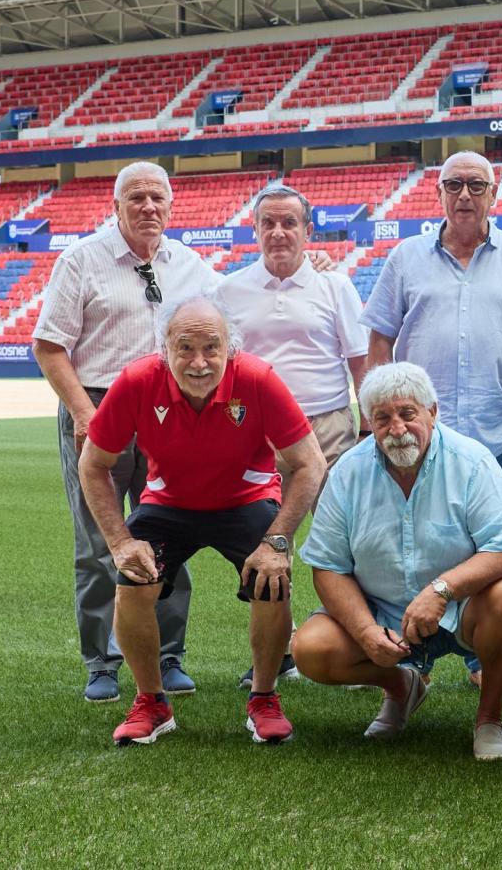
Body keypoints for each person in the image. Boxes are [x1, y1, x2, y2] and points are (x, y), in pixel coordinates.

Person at [78, 293, 326, 747]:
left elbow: (311, 463)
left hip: (246, 499)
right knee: (132, 580)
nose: (199, 362)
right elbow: (93, 464)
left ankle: (264, 698)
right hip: (169, 502)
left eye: (212, 347)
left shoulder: (258, 379)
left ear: (231, 347)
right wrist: (119, 542)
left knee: (272, 579)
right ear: (164, 349)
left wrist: (277, 541)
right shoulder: (137, 381)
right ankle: (152, 702)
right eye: (185, 348)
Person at [363, 150, 502, 688]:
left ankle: (483, 655)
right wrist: (376, 409)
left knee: (496, 546)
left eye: (476, 184)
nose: (465, 194)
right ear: (439, 193)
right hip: (415, 435)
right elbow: (379, 339)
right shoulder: (406, 257)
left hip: (495, 431)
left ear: (494, 193)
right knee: (411, 540)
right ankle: (410, 650)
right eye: (454, 184)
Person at [34, 160, 219, 703]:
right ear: (115, 206)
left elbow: (234, 319)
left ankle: (168, 655)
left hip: (170, 409)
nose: (148, 207)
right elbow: (50, 346)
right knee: (100, 541)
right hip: (99, 405)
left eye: (158, 197)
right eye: (136, 197)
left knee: (170, 534)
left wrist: (318, 262)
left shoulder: (190, 265)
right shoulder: (81, 260)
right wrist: (83, 414)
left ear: (171, 206)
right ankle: (103, 662)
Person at [292, 362, 502, 762]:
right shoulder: (348, 472)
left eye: (408, 413)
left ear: (432, 412)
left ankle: (489, 718)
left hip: (463, 607)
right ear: (368, 421)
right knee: (310, 649)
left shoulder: (471, 461)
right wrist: (366, 632)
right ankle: (402, 686)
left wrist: (442, 590)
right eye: (383, 418)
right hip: (382, 612)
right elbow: (328, 566)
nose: (397, 429)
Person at [215, 181, 369, 689]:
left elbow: (359, 361)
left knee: (342, 541)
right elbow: (220, 366)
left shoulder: (335, 286)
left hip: (327, 429)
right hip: (257, 435)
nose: (279, 232)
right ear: (255, 230)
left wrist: (368, 426)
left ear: (307, 230)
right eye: (268, 223)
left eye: (289, 223)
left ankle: (352, 646)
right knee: (265, 543)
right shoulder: (229, 290)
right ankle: (276, 654)